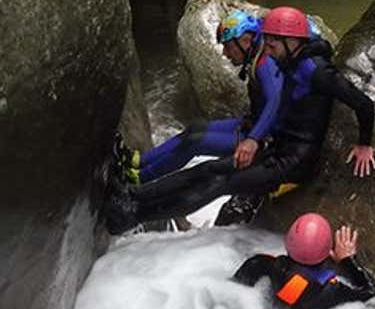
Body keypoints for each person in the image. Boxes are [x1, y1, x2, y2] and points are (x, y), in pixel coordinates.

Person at [103, 6, 375, 234]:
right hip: (275, 146)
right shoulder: (289, 59)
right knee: (208, 171)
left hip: (292, 161)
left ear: (290, 42)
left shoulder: (316, 71)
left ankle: (134, 214)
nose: (267, 49)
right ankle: (133, 197)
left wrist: (364, 144)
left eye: (271, 43)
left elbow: (363, 103)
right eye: (266, 42)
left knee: (219, 183)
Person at [117, 10, 283, 185]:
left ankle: (138, 178)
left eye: (228, 46)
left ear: (245, 41)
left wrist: (253, 139)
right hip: (255, 127)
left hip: (266, 139)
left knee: (197, 142)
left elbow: (275, 100)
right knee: (194, 129)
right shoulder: (257, 57)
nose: (225, 53)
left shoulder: (266, 63)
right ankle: (138, 162)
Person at [232, 213, 375, 309]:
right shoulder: (330, 291)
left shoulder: (268, 265)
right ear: (328, 251)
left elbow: (234, 287)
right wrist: (348, 260)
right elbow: (372, 293)